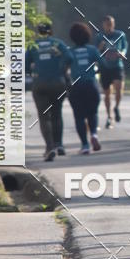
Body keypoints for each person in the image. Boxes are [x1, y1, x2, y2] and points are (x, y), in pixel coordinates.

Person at [25, 21, 70, 161]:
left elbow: (25, 65)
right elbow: (70, 57)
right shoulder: (58, 43)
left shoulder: (34, 46)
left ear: (38, 32)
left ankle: (49, 148)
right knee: (57, 114)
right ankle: (59, 145)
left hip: (40, 84)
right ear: (51, 31)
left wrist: (32, 71)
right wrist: (61, 69)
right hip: (58, 83)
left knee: (44, 117)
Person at [66, 22, 103, 155]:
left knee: (79, 116)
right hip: (91, 85)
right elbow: (103, 64)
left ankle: (85, 145)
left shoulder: (69, 52)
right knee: (92, 113)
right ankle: (94, 134)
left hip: (76, 86)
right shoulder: (92, 50)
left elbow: (62, 68)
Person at [93, 15, 128, 128]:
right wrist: (100, 47)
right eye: (108, 24)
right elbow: (95, 53)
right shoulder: (99, 37)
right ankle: (109, 116)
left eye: (111, 24)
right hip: (105, 67)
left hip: (117, 66)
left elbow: (125, 47)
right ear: (103, 25)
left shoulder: (120, 34)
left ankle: (116, 107)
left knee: (119, 88)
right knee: (107, 94)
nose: (110, 26)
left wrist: (122, 53)